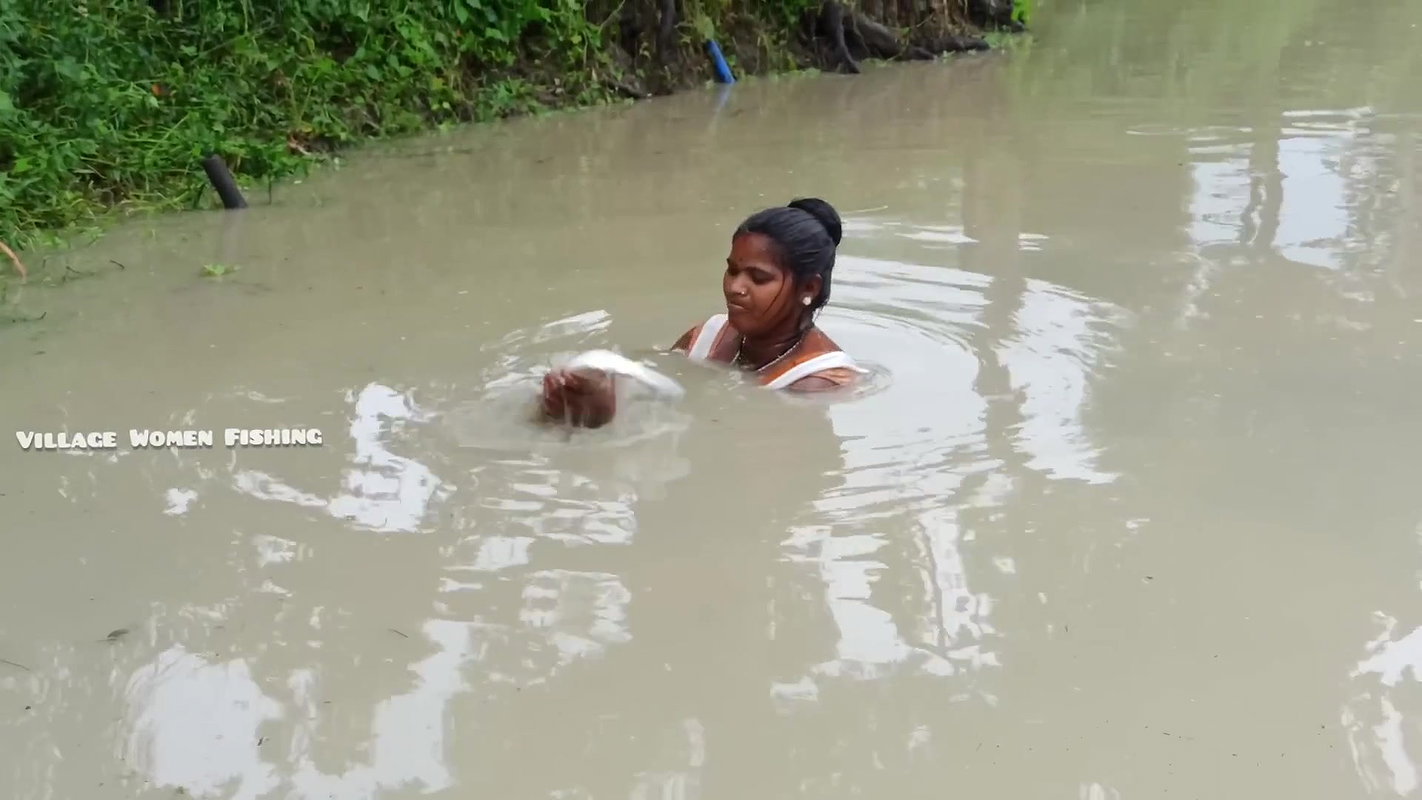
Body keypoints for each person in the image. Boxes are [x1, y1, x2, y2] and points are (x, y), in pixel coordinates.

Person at [541, 198, 863, 428]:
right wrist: (580, 398)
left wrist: (608, 419)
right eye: (732, 271)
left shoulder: (820, 383)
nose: (735, 287)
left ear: (808, 287)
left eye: (758, 278)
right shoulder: (706, 337)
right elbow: (649, 385)